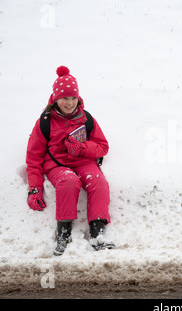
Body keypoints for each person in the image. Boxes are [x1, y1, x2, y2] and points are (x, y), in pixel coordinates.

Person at [26, 66, 114, 256]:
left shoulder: (86, 118)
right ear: (56, 98)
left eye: (73, 98)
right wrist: (35, 188)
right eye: (65, 98)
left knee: (98, 181)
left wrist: (82, 148)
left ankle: (97, 230)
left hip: (83, 161)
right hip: (57, 164)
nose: (70, 103)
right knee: (68, 181)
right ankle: (63, 231)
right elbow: (33, 158)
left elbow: (103, 147)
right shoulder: (45, 121)